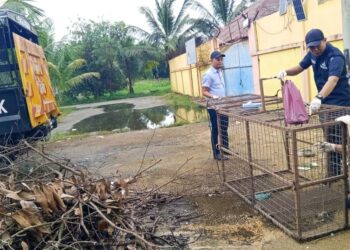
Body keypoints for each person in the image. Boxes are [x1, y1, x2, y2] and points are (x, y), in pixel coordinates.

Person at [277, 28, 350, 176]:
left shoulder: (335, 56)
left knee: (340, 136)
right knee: (329, 137)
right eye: (311, 47)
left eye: (318, 45)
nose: (315, 49)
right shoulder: (312, 54)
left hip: (340, 103)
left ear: (325, 40)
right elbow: (299, 67)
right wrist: (286, 71)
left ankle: (341, 173)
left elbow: (333, 79)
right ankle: (335, 172)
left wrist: (319, 97)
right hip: (325, 105)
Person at [202, 51, 229, 160]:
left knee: (224, 128)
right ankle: (216, 153)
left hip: (223, 105)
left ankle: (225, 149)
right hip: (214, 107)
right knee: (216, 130)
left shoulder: (219, 72)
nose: (220, 61)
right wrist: (213, 97)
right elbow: (204, 91)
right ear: (211, 60)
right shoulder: (208, 74)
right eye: (218, 59)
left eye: (221, 59)